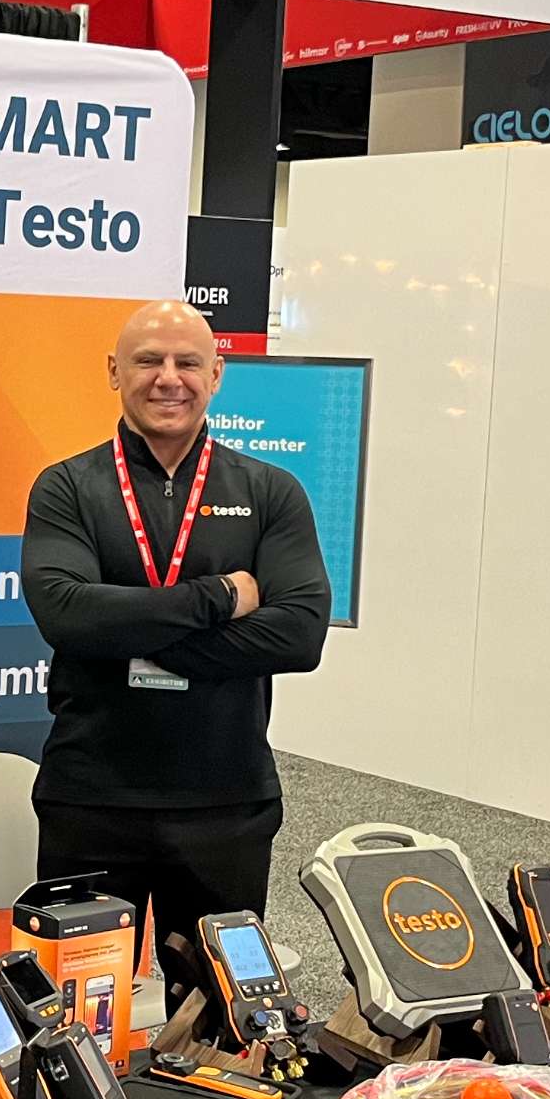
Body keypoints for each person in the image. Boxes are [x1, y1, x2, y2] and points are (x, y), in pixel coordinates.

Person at [21, 299, 329, 1006]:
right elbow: (66, 614)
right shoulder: (67, 488)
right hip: (92, 799)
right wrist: (218, 596)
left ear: (216, 374)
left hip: (226, 800)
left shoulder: (270, 492)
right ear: (114, 372)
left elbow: (300, 633)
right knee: (78, 1019)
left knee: (223, 1019)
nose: (169, 378)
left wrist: (135, 629)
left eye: (188, 362)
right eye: (148, 361)